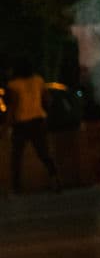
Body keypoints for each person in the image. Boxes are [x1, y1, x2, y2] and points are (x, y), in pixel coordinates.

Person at [5, 55, 61, 194]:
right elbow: (47, 99)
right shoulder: (38, 80)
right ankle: (55, 181)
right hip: (38, 120)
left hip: (21, 123)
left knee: (16, 157)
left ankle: (16, 188)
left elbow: (12, 106)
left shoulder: (13, 84)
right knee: (44, 153)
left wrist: (6, 125)